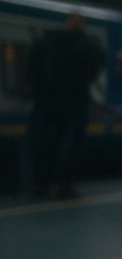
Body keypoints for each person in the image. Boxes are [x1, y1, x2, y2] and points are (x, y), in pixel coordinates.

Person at [27, 12, 103, 199]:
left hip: (46, 103)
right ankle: (64, 185)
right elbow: (93, 71)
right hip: (75, 103)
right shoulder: (88, 47)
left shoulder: (46, 41)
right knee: (70, 145)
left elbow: (32, 70)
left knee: (46, 144)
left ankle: (41, 184)